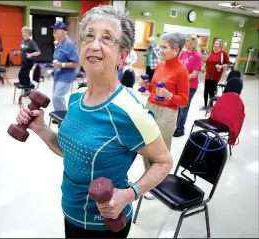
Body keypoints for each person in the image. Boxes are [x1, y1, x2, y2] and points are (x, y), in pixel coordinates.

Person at [16, 6, 173, 238]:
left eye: (107, 38)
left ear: (122, 54)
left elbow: (164, 162)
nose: (95, 44)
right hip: (71, 211)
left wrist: (128, 195)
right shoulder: (76, 97)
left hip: (103, 226)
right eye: (89, 36)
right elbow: (71, 152)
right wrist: (40, 127)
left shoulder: (130, 112)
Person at [139, 32, 189, 199]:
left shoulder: (182, 71)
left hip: (168, 113)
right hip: (151, 107)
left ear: (176, 49)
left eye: (165, 47)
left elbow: (184, 100)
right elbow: (154, 90)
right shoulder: (160, 66)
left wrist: (169, 96)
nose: (161, 49)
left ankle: (158, 183)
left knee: (160, 151)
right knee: (146, 145)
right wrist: (146, 86)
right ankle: (149, 179)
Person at [174, 34, 202, 137]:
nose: (185, 43)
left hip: (190, 86)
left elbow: (194, 74)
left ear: (193, 42)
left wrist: (182, 79)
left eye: (187, 41)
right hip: (179, 85)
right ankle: (175, 126)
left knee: (183, 108)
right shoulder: (182, 54)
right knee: (177, 106)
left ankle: (180, 129)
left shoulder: (197, 56)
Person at [50, 21, 80, 112]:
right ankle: (58, 115)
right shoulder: (58, 43)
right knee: (55, 97)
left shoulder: (69, 45)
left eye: (56, 31)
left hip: (66, 76)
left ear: (63, 32)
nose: (53, 33)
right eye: (53, 31)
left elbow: (76, 63)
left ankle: (63, 118)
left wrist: (61, 64)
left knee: (57, 97)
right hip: (58, 74)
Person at [202, 38, 230, 109]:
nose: (215, 45)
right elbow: (208, 61)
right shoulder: (211, 52)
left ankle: (211, 105)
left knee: (212, 90)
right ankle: (205, 105)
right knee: (206, 90)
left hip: (216, 75)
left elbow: (227, 64)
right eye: (215, 43)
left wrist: (221, 66)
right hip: (208, 74)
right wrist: (203, 66)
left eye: (217, 43)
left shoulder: (223, 53)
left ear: (221, 45)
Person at [13, 26, 41, 97]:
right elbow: (23, 51)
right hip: (23, 61)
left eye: (25, 32)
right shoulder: (23, 41)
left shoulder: (32, 42)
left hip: (29, 62)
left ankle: (26, 89)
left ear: (29, 34)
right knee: (26, 76)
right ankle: (28, 90)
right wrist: (17, 52)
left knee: (21, 75)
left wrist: (30, 54)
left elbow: (38, 52)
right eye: (23, 32)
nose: (23, 34)